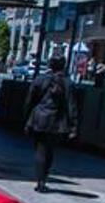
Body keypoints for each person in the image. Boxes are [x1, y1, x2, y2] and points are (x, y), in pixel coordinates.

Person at [24, 57, 77, 193]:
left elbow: (30, 100)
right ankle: (44, 178)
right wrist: (73, 126)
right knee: (50, 151)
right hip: (57, 121)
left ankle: (40, 180)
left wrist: (27, 117)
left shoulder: (40, 79)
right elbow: (71, 106)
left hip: (39, 118)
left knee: (40, 149)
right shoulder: (68, 83)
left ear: (50, 65)